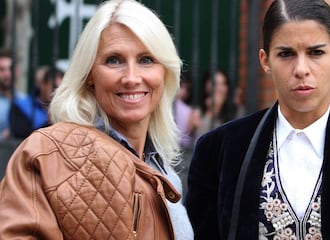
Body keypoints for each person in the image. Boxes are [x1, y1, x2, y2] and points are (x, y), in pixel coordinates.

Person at [185, 0, 330, 239]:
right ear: (265, 60)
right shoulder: (219, 150)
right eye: (286, 54)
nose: (301, 69)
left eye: (316, 52)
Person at [0, 0, 193, 239]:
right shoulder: (47, 154)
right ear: (90, 74)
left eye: (146, 60)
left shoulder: (167, 177)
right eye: (114, 60)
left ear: (164, 72)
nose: (131, 78)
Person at [9, 66, 64, 139]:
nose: (57, 92)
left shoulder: (66, 109)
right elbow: (20, 135)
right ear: (42, 84)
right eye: (54, 87)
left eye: (61, 88)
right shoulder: (20, 106)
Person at [195, 68, 238, 139]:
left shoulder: (237, 111)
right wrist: (210, 112)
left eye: (223, 84)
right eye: (215, 84)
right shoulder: (198, 112)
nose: (220, 89)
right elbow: (202, 140)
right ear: (206, 87)